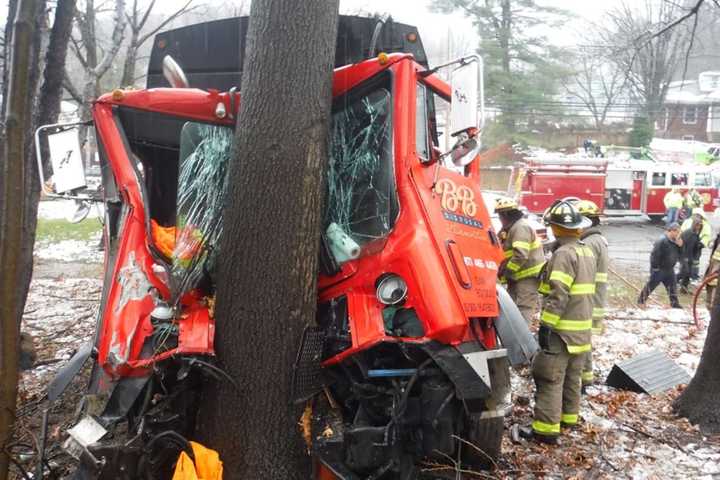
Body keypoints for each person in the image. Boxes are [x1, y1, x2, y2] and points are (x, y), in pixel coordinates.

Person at [514, 201, 595, 444]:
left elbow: (559, 294)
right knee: (572, 377)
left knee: (549, 377)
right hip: (582, 331)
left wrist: (546, 326)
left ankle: (545, 430)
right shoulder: (586, 251)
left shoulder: (563, 254)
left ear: (556, 228)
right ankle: (568, 419)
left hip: (562, 331)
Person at [574, 200, 608, 389]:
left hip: (587, 300)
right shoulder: (598, 240)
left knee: (582, 342)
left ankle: (583, 379)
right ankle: (586, 377)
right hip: (595, 298)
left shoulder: (587, 244)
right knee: (585, 341)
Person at [495, 196, 546, 324]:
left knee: (523, 308)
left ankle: (523, 340)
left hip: (527, 277)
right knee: (512, 308)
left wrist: (507, 273)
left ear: (506, 214)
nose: (500, 219)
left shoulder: (520, 228)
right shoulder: (511, 229)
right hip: (518, 277)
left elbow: (520, 255)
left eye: (500, 216)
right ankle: (515, 339)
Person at [637, 223, 683, 308]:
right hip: (660, 269)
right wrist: (655, 268)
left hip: (669, 269)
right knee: (651, 285)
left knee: (672, 287)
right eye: (677, 232)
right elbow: (654, 255)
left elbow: (680, 255)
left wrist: (680, 246)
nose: (678, 234)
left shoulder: (675, 241)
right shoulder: (662, 241)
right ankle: (641, 301)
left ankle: (674, 303)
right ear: (671, 231)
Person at [678, 216, 702, 294]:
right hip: (685, 256)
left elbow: (694, 244)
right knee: (684, 272)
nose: (699, 227)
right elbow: (684, 245)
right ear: (694, 224)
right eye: (698, 225)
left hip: (690, 256)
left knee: (688, 273)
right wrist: (685, 257)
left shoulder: (695, 233)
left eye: (700, 225)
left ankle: (684, 288)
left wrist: (699, 245)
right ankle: (670, 281)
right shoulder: (689, 233)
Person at [704, 235, 720, 311]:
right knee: (711, 303)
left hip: (713, 277)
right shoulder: (717, 239)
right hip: (713, 278)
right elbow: (714, 260)